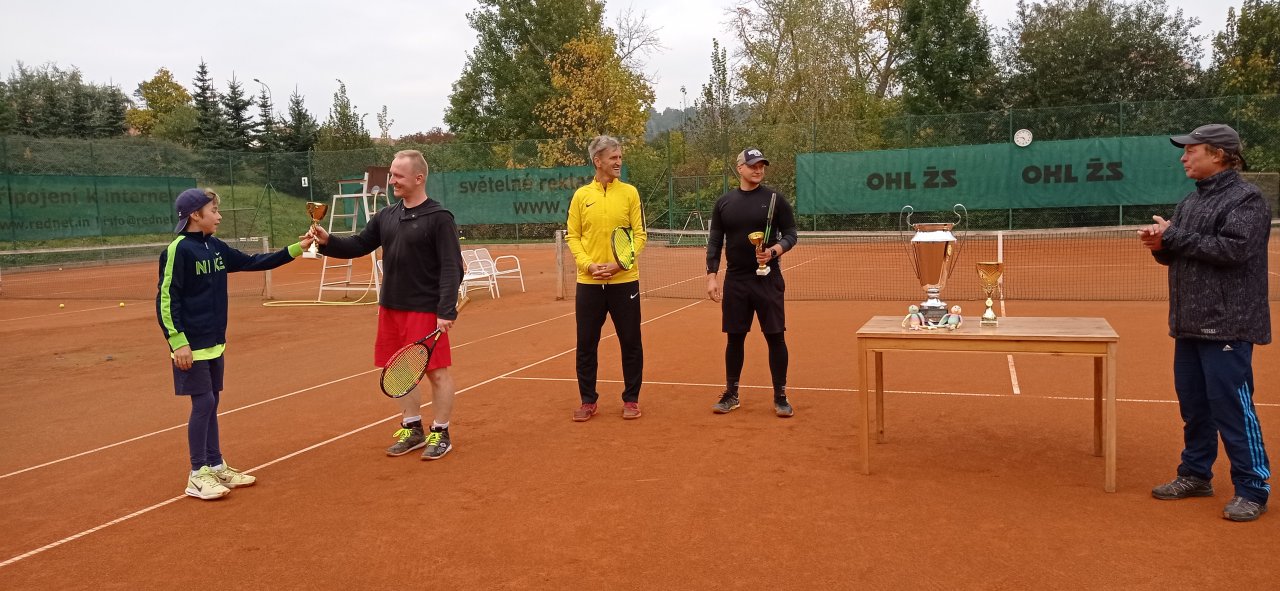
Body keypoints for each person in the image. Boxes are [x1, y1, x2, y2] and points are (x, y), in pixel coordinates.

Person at [1139, 123, 1272, 522]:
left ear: (1218, 154)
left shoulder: (1247, 199)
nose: (1183, 157)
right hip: (1189, 322)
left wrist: (1174, 236)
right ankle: (1196, 474)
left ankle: (1253, 487)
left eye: (1191, 151)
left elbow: (1234, 250)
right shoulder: (1191, 201)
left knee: (1231, 407)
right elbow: (1180, 251)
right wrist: (1160, 245)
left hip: (1229, 324)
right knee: (1195, 406)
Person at [157, 188, 313, 500]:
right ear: (195, 215)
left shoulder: (215, 247)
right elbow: (166, 298)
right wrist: (177, 342)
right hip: (191, 345)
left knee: (212, 402)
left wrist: (298, 248)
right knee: (203, 403)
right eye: (213, 210)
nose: (219, 216)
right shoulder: (178, 250)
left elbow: (253, 262)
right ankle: (197, 473)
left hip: (215, 342)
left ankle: (215, 465)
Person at [310, 150, 464, 460]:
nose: (392, 180)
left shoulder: (439, 218)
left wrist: (445, 310)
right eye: (392, 174)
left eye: (398, 176)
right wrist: (328, 241)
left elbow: (452, 267)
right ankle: (412, 429)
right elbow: (358, 244)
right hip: (391, 307)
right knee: (400, 372)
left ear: (418, 178)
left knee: (436, 373)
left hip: (424, 309)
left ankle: (441, 432)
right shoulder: (386, 216)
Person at [705, 147, 799, 417]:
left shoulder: (775, 200)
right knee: (734, 338)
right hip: (736, 280)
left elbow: (791, 234)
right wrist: (712, 276)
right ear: (740, 168)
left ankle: (780, 396)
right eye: (753, 165)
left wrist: (773, 251)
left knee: (775, 337)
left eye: (761, 166)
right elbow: (715, 242)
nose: (758, 170)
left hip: (768, 279)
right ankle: (731, 394)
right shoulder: (724, 203)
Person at [566, 135, 646, 421]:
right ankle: (588, 401)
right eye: (613, 157)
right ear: (597, 161)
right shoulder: (581, 196)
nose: (619, 162)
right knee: (586, 344)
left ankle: (631, 399)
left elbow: (640, 235)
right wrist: (588, 266)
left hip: (625, 282)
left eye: (620, 157)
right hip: (589, 284)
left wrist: (619, 264)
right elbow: (573, 236)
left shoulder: (630, 193)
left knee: (631, 342)